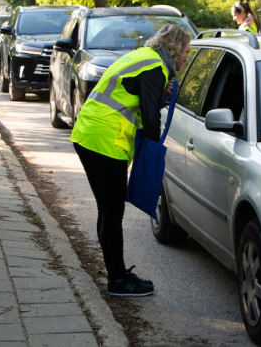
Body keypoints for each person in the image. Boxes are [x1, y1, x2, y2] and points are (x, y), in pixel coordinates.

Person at [70, 24, 191, 297]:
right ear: (174, 48)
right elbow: (150, 119)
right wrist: (153, 155)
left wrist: (161, 97)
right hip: (103, 140)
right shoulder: (155, 67)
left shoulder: (143, 56)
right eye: (185, 51)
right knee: (112, 213)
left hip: (89, 134)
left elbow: (138, 102)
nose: (186, 58)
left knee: (107, 210)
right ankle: (118, 281)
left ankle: (117, 275)